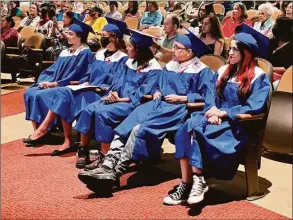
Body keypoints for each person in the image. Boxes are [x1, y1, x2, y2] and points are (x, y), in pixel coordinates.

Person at [77, 29, 216, 189]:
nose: (173, 50)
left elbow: (209, 97)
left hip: (177, 110)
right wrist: (157, 90)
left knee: (139, 129)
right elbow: (158, 84)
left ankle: (116, 172)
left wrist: (184, 98)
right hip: (157, 104)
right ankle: (108, 164)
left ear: (189, 52)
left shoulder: (201, 71)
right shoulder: (172, 65)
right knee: (127, 125)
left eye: (177, 47)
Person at [163, 32, 271, 205]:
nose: (229, 53)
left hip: (237, 126)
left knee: (196, 129)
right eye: (230, 48)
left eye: (235, 49)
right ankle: (187, 182)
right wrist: (212, 109)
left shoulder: (258, 76)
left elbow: (254, 106)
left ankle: (197, 179)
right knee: (187, 126)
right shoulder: (223, 71)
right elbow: (210, 96)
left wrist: (224, 113)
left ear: (247, 53)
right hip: (215, 118)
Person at [23, 21, 128, 156]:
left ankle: (44, 130)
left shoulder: (122, 58)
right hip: (89, 88)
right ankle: (65, 140)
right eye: (102, 35)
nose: (102, 38)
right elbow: (89, 74)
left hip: (101, 92)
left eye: (104, 35)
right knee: (64, 92)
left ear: (114, 37)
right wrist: (81, 83)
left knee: (65, 93)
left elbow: (118, 81)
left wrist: (99, 87)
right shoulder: (100, 54)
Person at [73, 30, 162, 169]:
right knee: (89, 109)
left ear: (139, 50)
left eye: (130, 46)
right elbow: (117, 80)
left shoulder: (153, 68)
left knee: (103, 113)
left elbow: (143, 93)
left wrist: (121, 99)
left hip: (133, 104)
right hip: (118, 99)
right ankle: (83, 150)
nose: (127, 48)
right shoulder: (130, 62)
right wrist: (113, 92)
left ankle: (105, 157)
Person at [23, 20, 95, 134]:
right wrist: (44, 81)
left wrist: (55, 84)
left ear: (80, 37)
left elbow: (76, 74)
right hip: (56, 82)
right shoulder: (66, 52)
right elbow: (53, 70)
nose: (68, 36)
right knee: (30, 91)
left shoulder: (84, 53)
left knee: (40, 95)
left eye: (71, 34)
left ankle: (46, 129)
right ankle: (37, 130)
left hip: (69, 85)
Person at [268, 16, 293, 86]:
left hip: (283, 76)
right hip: (268, 71)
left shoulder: (291, 46)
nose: (273, 27)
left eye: (276, 25)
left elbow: (287, 69)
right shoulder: (272, 41)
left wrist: (269, 69)